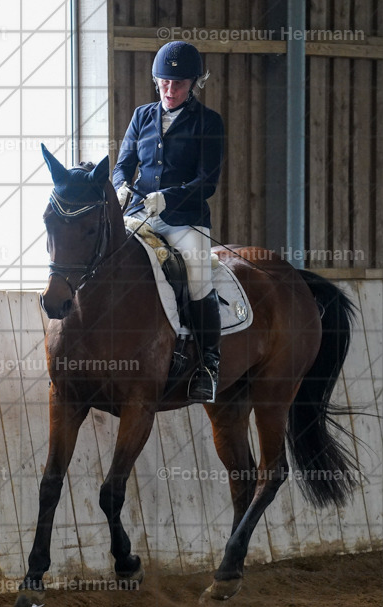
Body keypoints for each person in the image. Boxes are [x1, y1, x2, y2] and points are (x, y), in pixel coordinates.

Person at [113, 41, 225, 403]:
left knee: (198, 279)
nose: (170, 90)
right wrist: (120, 187)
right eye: (164, 82)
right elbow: (123, 165)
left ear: (194, 83)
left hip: (184, 220)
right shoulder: (141, 116)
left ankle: (208, 364)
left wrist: (169, 198)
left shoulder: (208, 122)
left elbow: (207, 182)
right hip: (139, 214)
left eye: (178, 84)